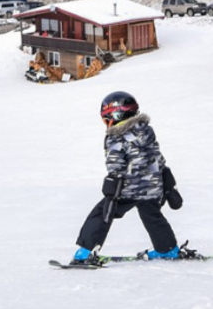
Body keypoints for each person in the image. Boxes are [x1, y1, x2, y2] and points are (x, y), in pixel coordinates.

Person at [70, 91, 181, 266]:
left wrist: (111, 189)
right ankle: (168, 249)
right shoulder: (146, 131)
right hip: (153, 187)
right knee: (151, 215)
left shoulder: (116, 135)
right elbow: (157, 158)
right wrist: (167, 183)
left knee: (101, 214)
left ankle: (85, 252)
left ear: (115, 115)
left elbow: (115, 164)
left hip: (129, 187)